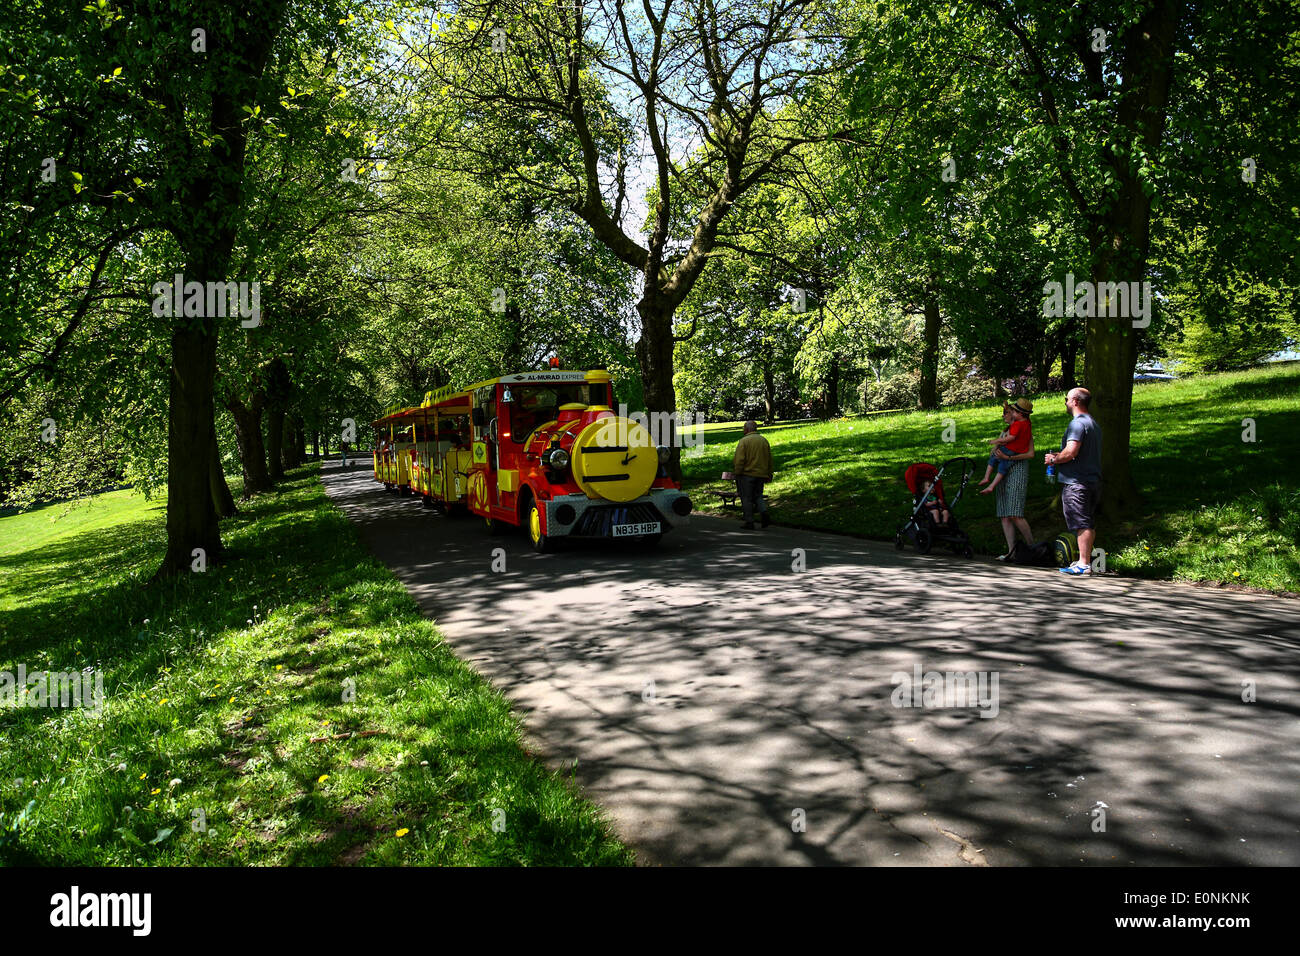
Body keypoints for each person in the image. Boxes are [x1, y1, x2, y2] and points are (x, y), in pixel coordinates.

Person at [1045, 387, 1102, 575]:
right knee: (1088, 522)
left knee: (1081, 523)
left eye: (1067, 399)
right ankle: (1084, 561)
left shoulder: (1077, 424)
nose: (1066, 403)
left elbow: (1071, 452)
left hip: (1077, 482)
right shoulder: (1092, 423)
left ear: (1076, 401)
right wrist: (1060, 455)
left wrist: (1054, 459)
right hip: (1092, 480)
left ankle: (1083, 563)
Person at [978, 398, 1033, 494]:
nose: (1003, 416)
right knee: (997, 461)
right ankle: (989, 483)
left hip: (1013, 456)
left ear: (1019, 414)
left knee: (999, 464)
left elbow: (1011, 439)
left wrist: (997, 441)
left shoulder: (1017, 425)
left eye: (1013, 412)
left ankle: (988, 481)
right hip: (1017, 450)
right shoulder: (1027, 423)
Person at [732, 420, 773, 530]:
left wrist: (737, 473)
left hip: (746, 475)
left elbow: (740, 460)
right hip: (761, 474)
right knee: (758, 496)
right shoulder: (764, 441)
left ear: (746, 429)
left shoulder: (744, 441)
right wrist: (769, 473)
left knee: (746, 498)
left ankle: (749, 522)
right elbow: (769, 459)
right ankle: (764, 514)